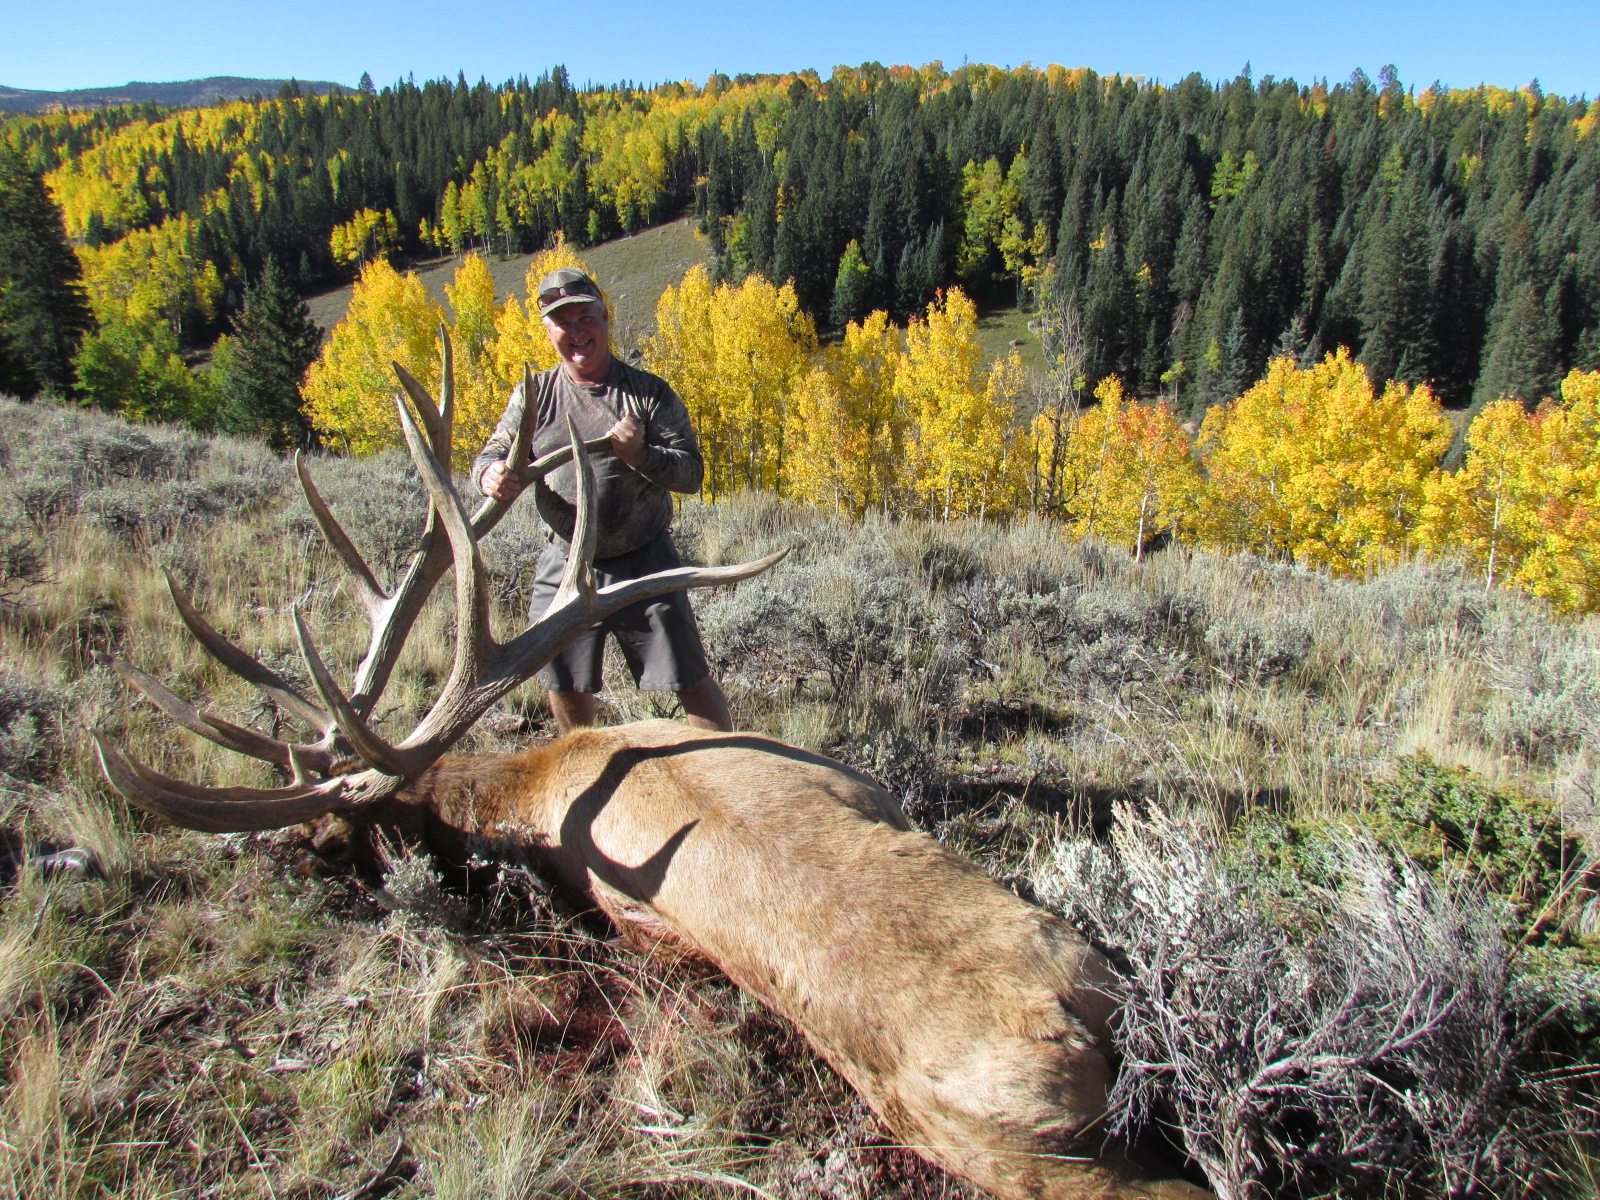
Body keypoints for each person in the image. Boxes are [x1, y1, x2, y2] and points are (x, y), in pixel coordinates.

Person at [471, 267, 733, 735]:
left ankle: (726, 772)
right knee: (564, 682)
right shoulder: (535, 397)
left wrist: (642, 456)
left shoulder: (648, 393)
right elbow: (491, 453)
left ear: (605, 319)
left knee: (690, 678)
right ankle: (586, 773)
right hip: (566, 561)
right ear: (548, 331)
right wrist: (490, 474)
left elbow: (692, 474)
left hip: (645, 559)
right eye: (562, 322)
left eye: (585, 318)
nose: (576, 332)